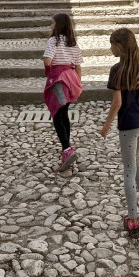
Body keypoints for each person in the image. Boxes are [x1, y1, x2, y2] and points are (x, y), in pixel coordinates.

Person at [100, 27, 139, 238]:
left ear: (120, 46)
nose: (110, 48)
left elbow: (117, 102)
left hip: (129, 126)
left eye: (112, 44)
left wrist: (106, 126)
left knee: (128, 170)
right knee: (137, 161)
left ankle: (132, 218)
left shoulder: (117, 70)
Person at [43, 13, 83, 171]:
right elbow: (78, 65)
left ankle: (67, 150)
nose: (51, 26)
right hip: (71, 78)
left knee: (57, 114)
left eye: (52, 23)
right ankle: (67, 146)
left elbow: (48, 60)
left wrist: (49, 61)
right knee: (64, 112)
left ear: (58, 25)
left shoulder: (53, 41)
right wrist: (78, 83)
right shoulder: (73, 43)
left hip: (58, 80)